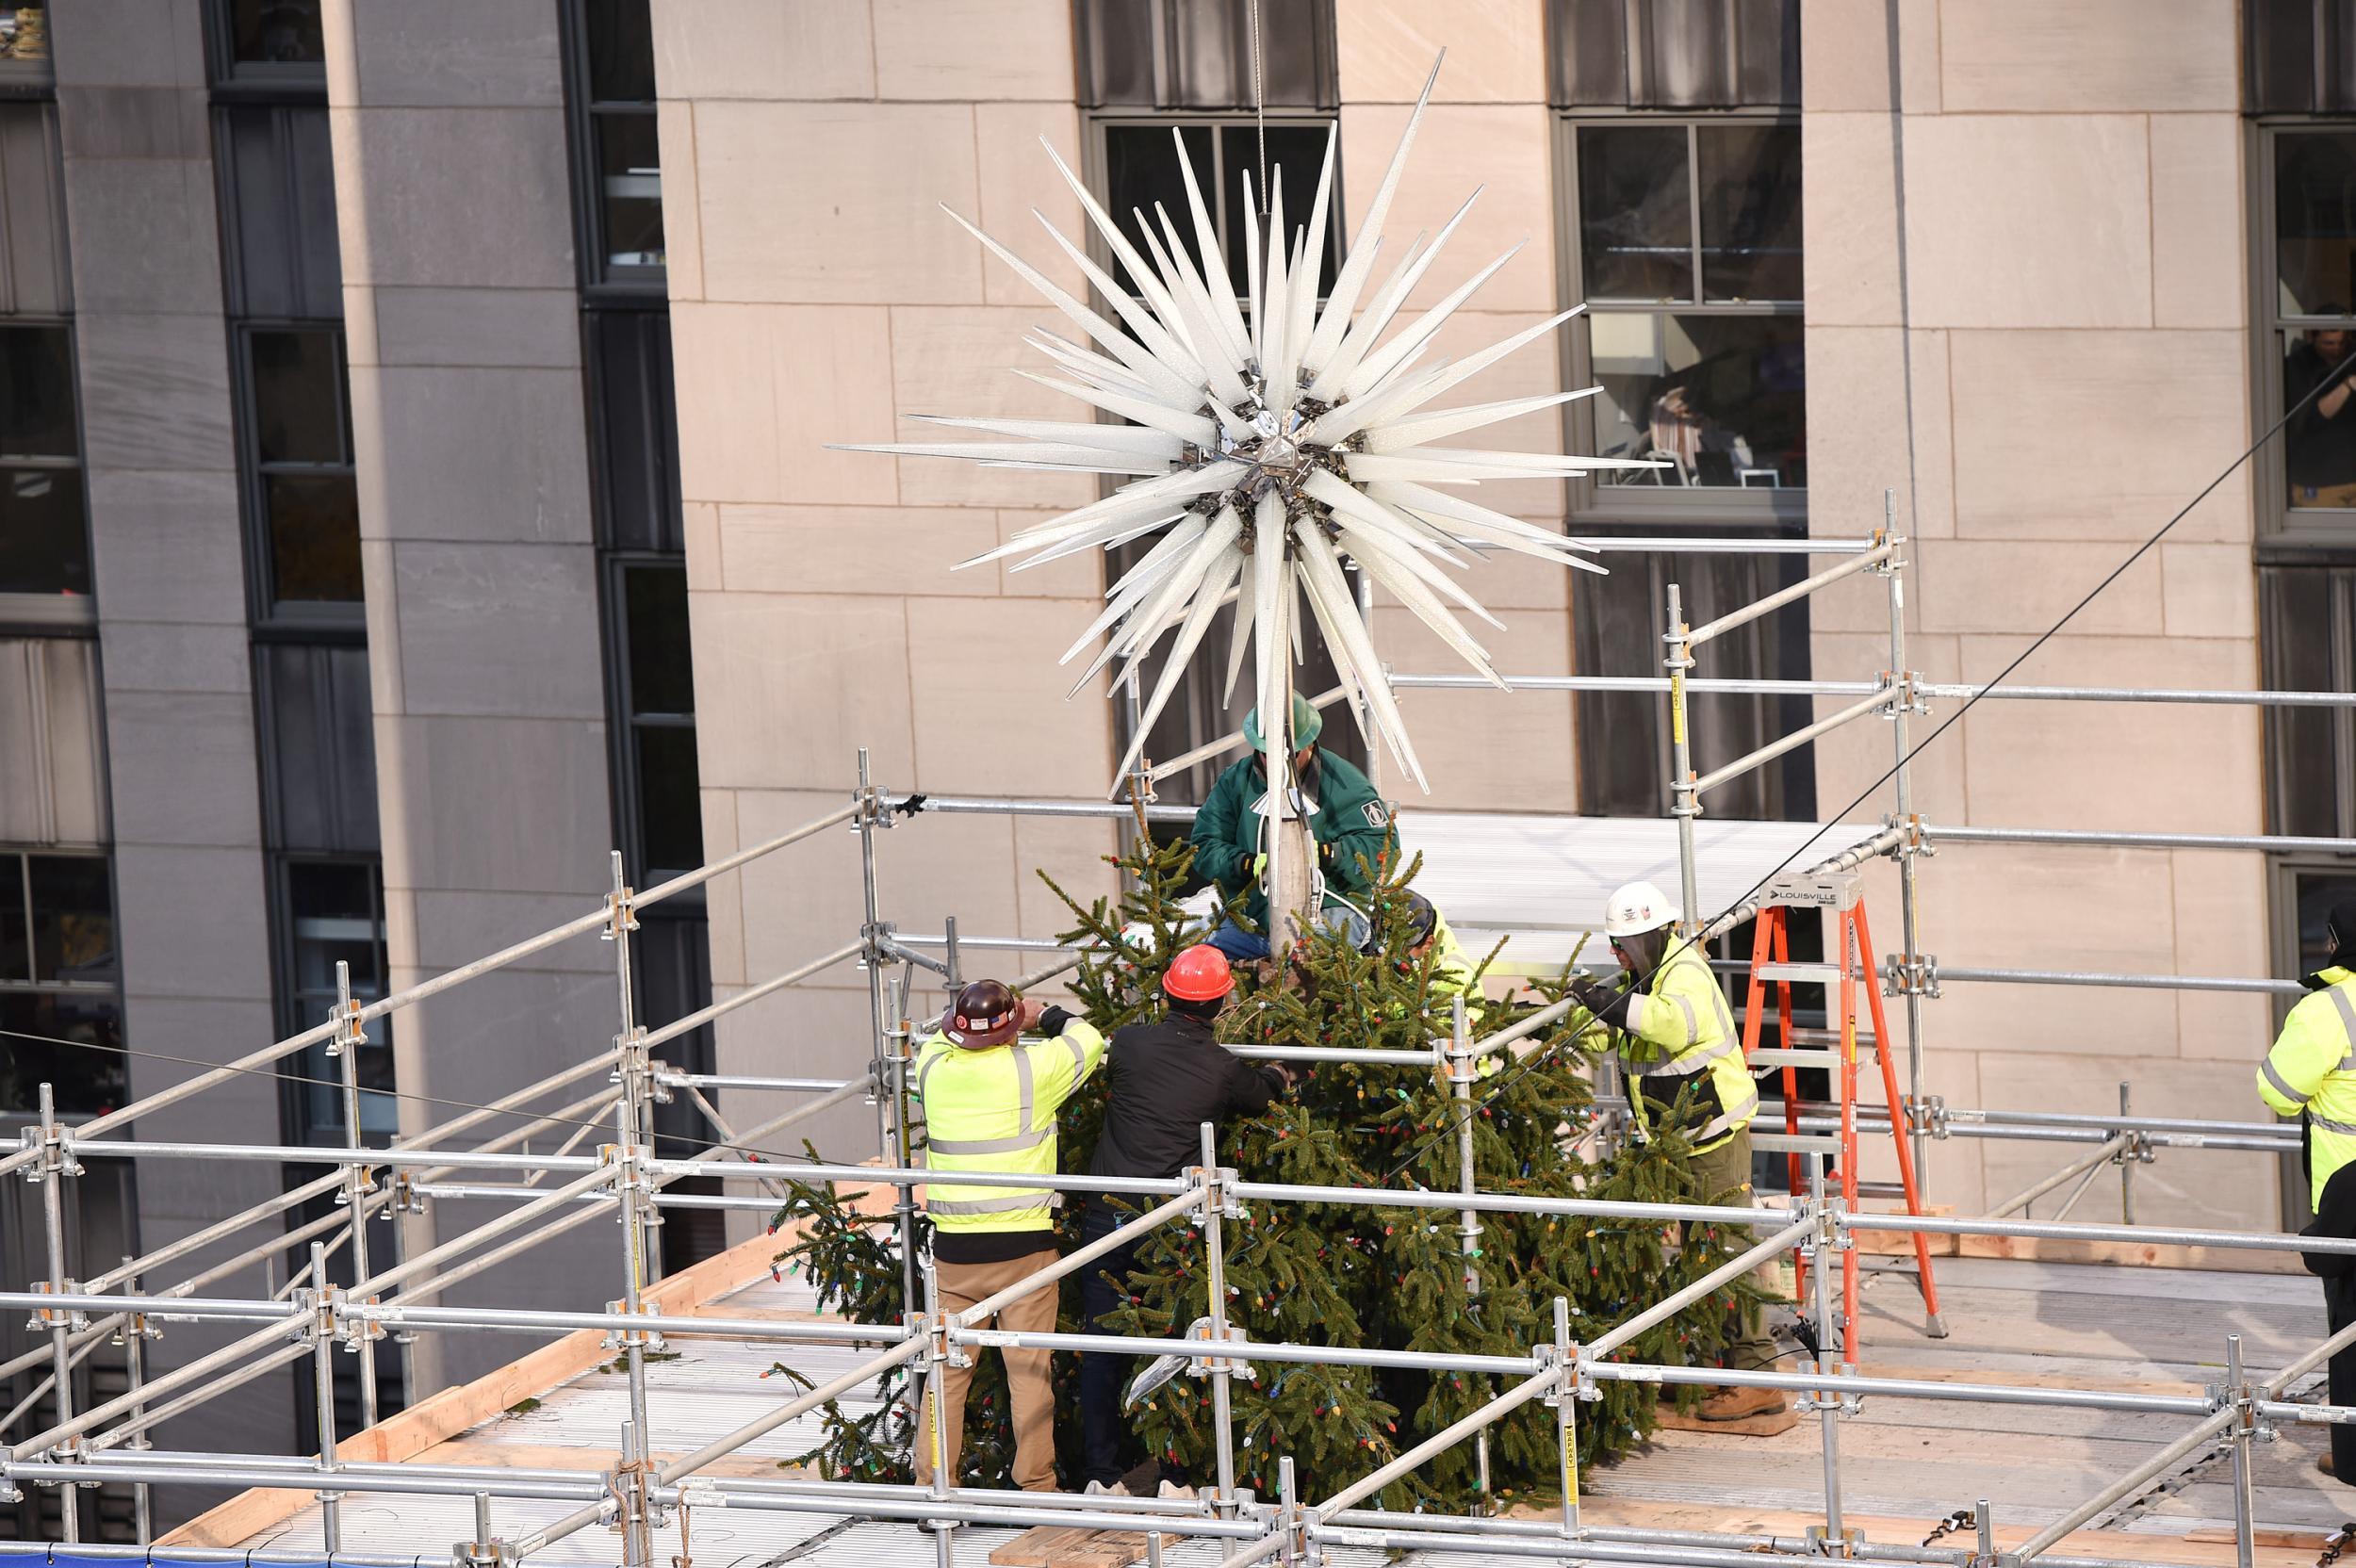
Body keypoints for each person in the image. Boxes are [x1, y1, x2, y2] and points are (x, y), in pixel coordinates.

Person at [1568, 879, 1783, 1425]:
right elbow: (1614, 1035)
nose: (1616, 953)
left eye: (1622, 944)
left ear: (1650, 934)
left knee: (1727, 1254)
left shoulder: (1681, 973)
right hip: (1680, 1141)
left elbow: (1672, 1025)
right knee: (1698, 1259)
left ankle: (1756, 1377)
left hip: (1714, 1138)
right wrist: (1578, 1013)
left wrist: (1611, 1004)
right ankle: (1715, 1368)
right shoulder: (1644, 977)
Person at [1078, 945, 1290, 1493]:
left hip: (1106, 1214)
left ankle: (1101, 1472)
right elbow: (1262, 1095)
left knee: (1102, 1346)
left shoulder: (1128, 1043)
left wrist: (1049, 1017)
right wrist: (1279, 1072)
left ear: (1167, 992)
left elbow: (1074, 1032)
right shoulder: (1223, 1069)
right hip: (1169, 1226)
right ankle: (1173, 1471)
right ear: (1221, 1004)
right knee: (1177, 1345)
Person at [910, 978, 1106, 1497]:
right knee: (1029, 1373)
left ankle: (934, 1484)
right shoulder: (1032, 1070)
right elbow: (1088, 1038)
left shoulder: (931, 1068)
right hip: (1025, 1251)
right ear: (1011, 1027)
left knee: (946, 1374)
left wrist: (981, 1022)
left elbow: (937, 1036)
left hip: (955, 1252)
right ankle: (1036, 1485)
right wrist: (1041, 1017)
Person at [2256, 899, 2356, 1480]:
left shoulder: (2328, 1009)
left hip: (2349, 1199)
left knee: (2351, 1340)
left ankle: (2355, 1460)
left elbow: (2278, 1091)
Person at [1189, 692, 1391, 962]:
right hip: (1252, 920)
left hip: (1330, 913)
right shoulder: (1235, 783)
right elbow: (1204, 845)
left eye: (1289, 755)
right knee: (1193, 954)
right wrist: (1245, 864)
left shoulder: (1346, 785)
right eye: (1265, 754)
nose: (1276, 763)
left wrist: (1329, 854)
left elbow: (1382, 848)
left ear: (1309, 744)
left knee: (1305, 962)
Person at [2286, 317, 2356, 508]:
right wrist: (2348, 385)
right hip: (2317, 480)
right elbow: (2309, 419)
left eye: (2341, 343)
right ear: (2312, 337)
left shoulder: (2351, 356)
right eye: (2329, 343)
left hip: (2350, 473)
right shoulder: (2297, 365)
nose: (2336, 349)